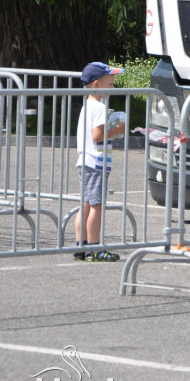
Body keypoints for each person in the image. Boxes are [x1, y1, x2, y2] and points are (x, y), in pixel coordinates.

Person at [73, 62, 125, 262]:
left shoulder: (88, 105)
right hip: (95, 163)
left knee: (85, 204)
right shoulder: (99, 108)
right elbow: (98, 136)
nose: (113, 88)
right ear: (97, 84)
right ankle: (95, 248)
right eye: (110, 84)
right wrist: (118, 129)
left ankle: (81, 245)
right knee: (96, 205)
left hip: (85, 161)